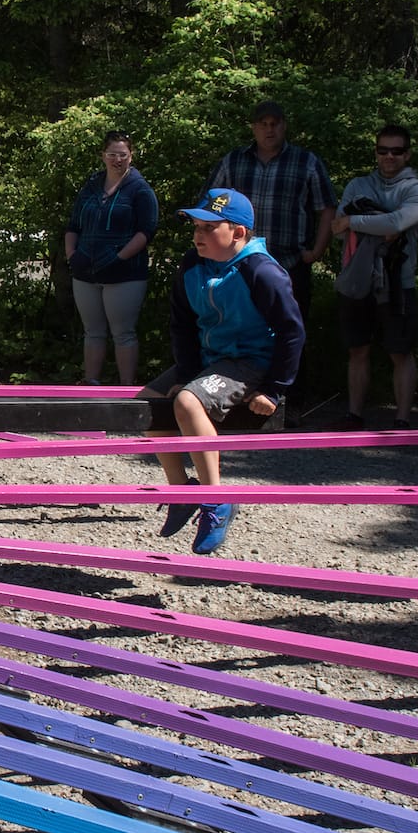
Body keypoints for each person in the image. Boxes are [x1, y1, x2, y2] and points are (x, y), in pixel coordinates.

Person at [142, 189, 304, 556]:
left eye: (210, 227)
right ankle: (182, 491)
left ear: (239, 233)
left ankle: (216, 500)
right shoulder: (192, 264)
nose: (199, 235)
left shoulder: (261, 271)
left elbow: (292, 331)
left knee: (187, 402)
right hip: (209, 358)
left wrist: (274, 389)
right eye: (197, 226)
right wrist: (184, 372)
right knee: (149, 403)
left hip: (251, 361)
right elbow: (181, 324)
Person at [204, 101, 335, 373]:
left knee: (290, 334)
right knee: (239, 331)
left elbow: (327, 209)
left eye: (274, 123)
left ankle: (290, 404)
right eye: (262, 124)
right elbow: (208, 208)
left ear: (284, 125)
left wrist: (316, 251)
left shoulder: (306, 162)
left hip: (288, 265)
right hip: (238, 268)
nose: (269, 129)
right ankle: (240, 400)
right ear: (253, 128)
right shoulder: (234, 161)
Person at [329, 124, 418, 429]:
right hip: (358, 281)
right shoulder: (357, 184)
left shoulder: (416, 189)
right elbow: (337, 226)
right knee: (357, 348)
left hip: (398, 283)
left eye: (396, 151)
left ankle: (401, 420)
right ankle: (355, 414)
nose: (389, 156)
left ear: (407, 153)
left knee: (400, 351)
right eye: (383, 150)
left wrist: (356, 220)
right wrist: (381, 224)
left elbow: (400, 221)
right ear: (375, 152)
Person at [62, 130, 160, 386]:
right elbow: (73, 225)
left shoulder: (140, 189)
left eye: (123, 155)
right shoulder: (91, 186)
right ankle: (90, 385)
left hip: (124, 275)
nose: (118, 160)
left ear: (132, 156)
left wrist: (118, 258)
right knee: (92, 332)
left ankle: (127, 390)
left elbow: (146, 231)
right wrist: (72, 255)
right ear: (103, 156)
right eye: (112, 154)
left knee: (123, 333)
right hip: (85, 272)